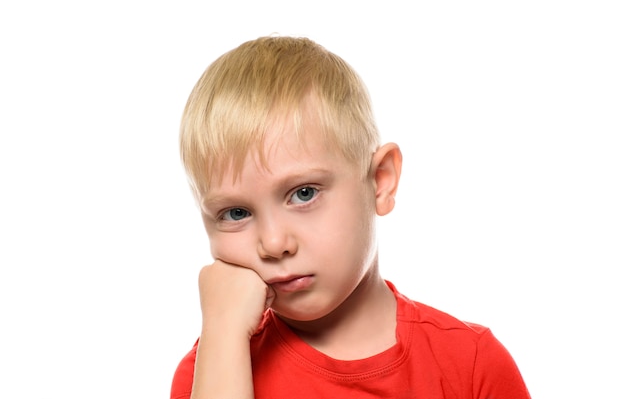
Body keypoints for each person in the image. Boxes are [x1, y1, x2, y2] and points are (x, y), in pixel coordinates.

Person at [170, 35, 531, 399]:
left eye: (304, 193)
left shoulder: (470, 364)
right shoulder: (214, 368)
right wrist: (222, 332)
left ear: (380, 182)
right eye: (236, 213)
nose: (274, 243)